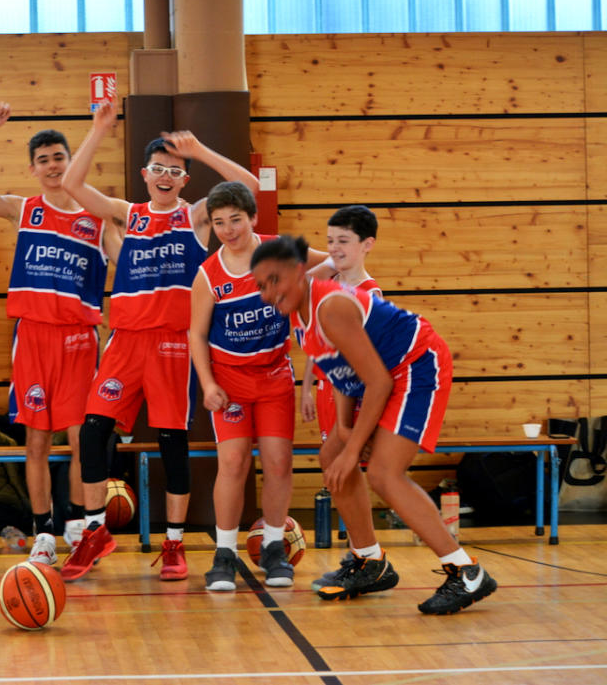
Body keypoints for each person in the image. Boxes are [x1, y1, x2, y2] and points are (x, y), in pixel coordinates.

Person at [59, 103, 255, 582]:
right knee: (92, 431)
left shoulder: (197, 217)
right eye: (159, 169)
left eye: (175, 171)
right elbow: (72, 184)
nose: (166, 176)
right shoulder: (129, 215)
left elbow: (248, 186)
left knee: (172, 442)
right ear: (145, 174)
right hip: (125, 341)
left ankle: (173, 544)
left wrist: (199, 151)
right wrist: (98, 129)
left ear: (184, 180)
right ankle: (94, 531)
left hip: (172, 345)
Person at [251, 235, 497, 615]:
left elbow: (378, 382)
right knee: (330, 456)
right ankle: (370, 561)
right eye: (261, 285)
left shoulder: (331, 307)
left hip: (417, 364)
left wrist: (353, 450)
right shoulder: (300, 314)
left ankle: (466, 570)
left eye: (274, 280)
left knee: (384, 474)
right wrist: (345, 432)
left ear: (300, 273)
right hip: (385, 375)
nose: (268, 293)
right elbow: (344, 374)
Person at [0, 102, 120, 565]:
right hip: (32, 337)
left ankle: (79, 526)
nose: (52, 166)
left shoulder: (99, 219)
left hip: (79, 340)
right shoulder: (24, 209)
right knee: (36, 442)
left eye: (59, 157)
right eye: (43, 160)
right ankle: (44, 531)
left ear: (72, 162)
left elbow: (130, 265)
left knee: (81, 440)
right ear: (33, 169)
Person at [187, 168, 328, 592]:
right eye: (219, 222)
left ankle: (273, 547)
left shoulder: (279, 251)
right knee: (233, 463)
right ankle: (224, 553)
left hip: (274, 376)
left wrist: (309, 285)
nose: (228, 229)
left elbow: (333, 263)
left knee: (279, 461)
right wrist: (208, 385)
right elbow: (196, 334)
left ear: (253, 218)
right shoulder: (208, 274)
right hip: (229, 381)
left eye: (235, 219)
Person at [299, 206, 381, 592]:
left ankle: (365, 555)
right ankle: (363, 554)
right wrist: (305, 385)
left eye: (343, 241)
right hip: (327, 386)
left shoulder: (369, 293)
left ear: (367, 245)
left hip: (353, 392)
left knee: (343, 468)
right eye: (330, 241)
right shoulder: (330, 283)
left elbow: (362, 361)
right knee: (334, 467)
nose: (334, 248)